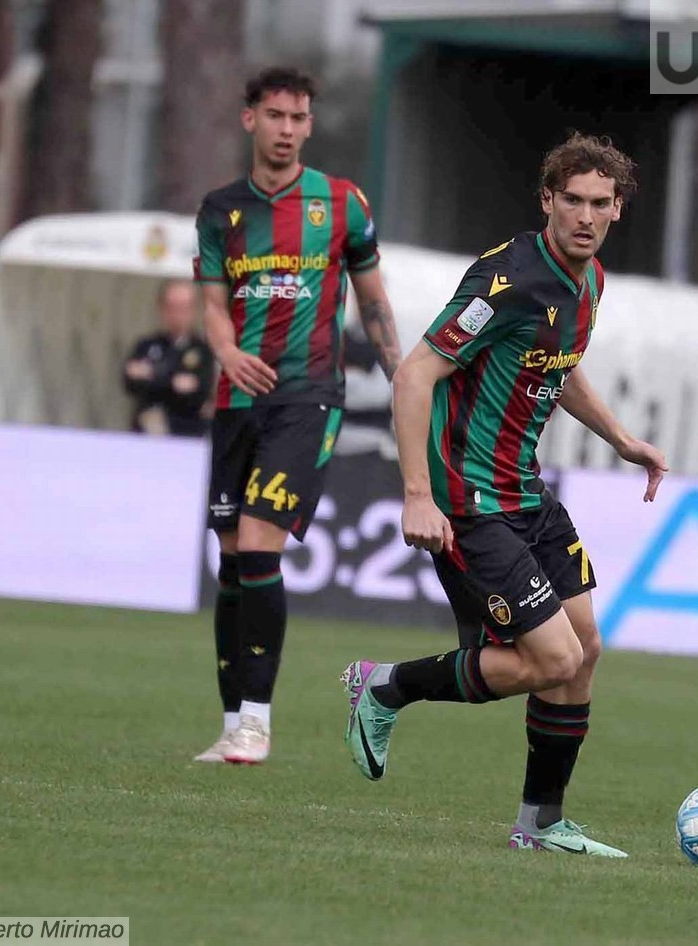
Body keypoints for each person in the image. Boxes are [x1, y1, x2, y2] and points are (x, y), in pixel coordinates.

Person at [340, 133, 668, 857]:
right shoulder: (507, 281)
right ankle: (384, 687)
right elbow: (415, 374)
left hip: (527, 491)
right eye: (572, 201)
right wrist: (418, 495)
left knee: (584, 653)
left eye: (600, 203)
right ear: (547, 201)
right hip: (467, 499)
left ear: (617, 209)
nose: (585, 215)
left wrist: (619, 436)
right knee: (549, 660)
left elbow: (558, 364)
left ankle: (541, 825)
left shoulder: (590, 281)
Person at [192, 66, 402, 764]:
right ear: (250, 118)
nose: (287, 129)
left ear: (310, 124)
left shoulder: (341, 205)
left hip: (308, 398)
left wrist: (400, 368)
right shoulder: (221, 210)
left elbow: (372, 298)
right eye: (275, 116)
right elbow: (213, 305)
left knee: (258, 545)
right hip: (237, 403)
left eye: (298, 118)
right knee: (230, 564)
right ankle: (232, 726)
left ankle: (258, 721)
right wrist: (224, 350)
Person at [122, 280, 215, 437]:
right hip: (146, 432)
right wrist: (173, 381)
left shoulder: (204, 351)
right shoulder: (146, 346)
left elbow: (200, 391)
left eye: (183, 308)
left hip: (187, 435)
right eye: (171, 307)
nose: (177, 315)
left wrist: (153, 374)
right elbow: (130, 382)